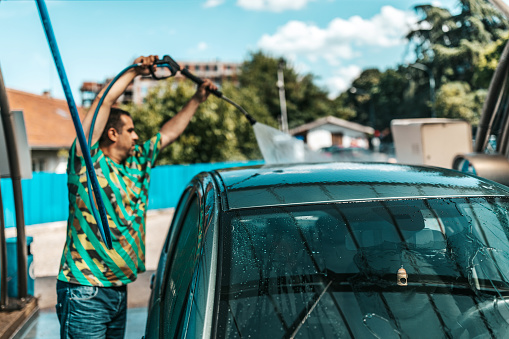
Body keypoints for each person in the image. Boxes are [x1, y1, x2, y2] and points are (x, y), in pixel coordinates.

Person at [55, 55, 217, 338]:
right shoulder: (87, 163)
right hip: (85, 290)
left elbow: (167, 134)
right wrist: (135, 72)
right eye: (130, 130)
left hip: (118, 288)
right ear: (112, 133)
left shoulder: (137, 163)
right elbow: (103, 103)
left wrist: (197, 99)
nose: (137, 135)